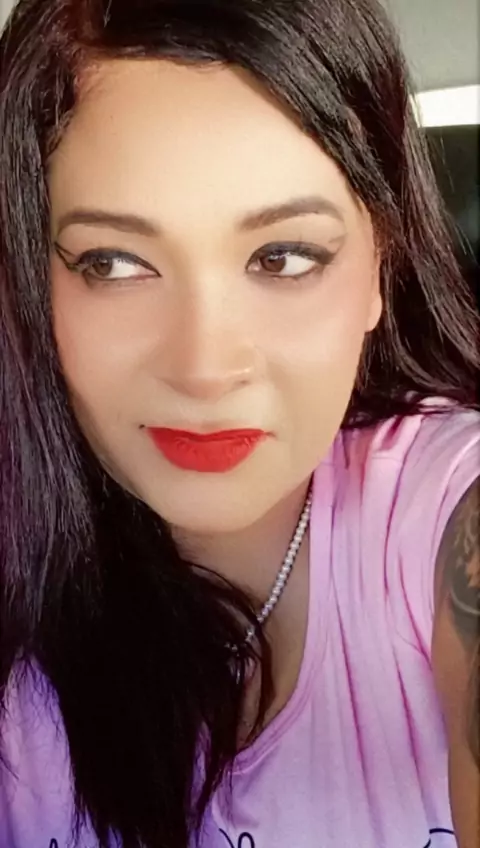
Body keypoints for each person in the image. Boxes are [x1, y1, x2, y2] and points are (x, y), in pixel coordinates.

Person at [0, 0, 478, 846]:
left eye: (282, 257)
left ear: (380, 266)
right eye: (114, 263)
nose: (204, 367)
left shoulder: (441, 502)